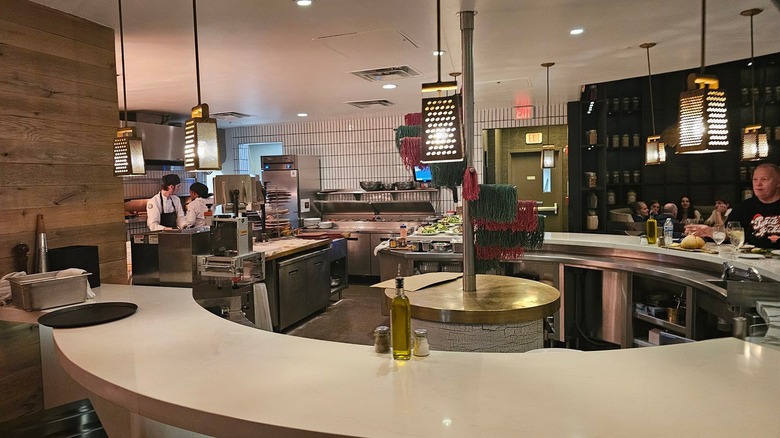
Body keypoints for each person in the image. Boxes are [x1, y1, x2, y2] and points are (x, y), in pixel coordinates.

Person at [687, 163, 780, 249]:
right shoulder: (743, 207)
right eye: (755, 179)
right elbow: (730, 234)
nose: (758, 184)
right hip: (751, 259)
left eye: (764, 179)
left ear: (778, 183)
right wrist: (709, 231)